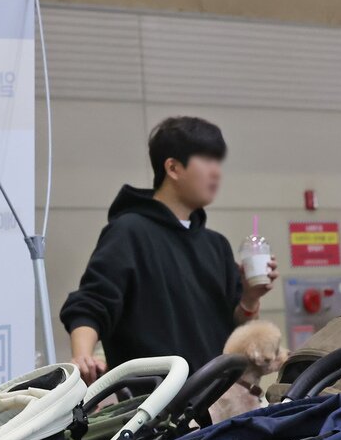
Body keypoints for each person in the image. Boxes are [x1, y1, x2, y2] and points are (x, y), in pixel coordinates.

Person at [61, 116, 278, 384]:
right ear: (173, 167)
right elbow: (92, 303)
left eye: (218, 162)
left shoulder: (216, 245)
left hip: (217, 398)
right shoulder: (129, 232)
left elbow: (237, 330)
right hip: (154, 400)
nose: (216, 172)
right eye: (206, 159)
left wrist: (250, 297)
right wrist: (83, 358)